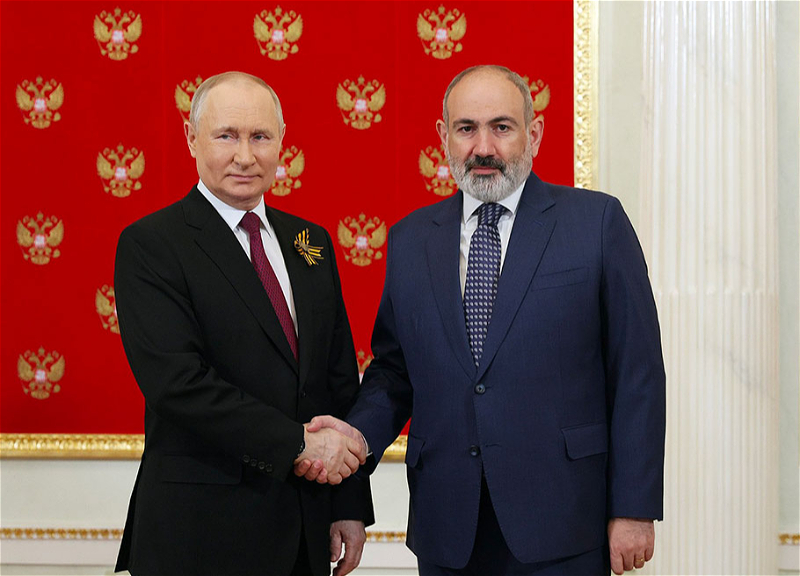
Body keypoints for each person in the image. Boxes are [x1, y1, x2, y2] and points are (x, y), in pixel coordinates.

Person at [298, 65, 666, 575]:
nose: (483, 147)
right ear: (443, 136)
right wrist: (356, 439)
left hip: (564, 520)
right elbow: (394, 372)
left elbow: (637, 374)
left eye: (502, 127)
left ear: (533, 133)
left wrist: (633, 508)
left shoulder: (596, 223)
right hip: (448, 523)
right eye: (466, 128)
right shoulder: (410, 240)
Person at [114, 71, 373, 576]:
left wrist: (348, 504)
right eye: (226, 136)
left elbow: (338, 382)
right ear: (191, 138)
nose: (245, 156)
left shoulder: (311, 242)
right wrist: (298, 444)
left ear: (282, 142)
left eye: (260, 137)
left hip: (304, 531)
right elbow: (178, 384)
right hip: (199, 534)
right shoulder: (152, 244)